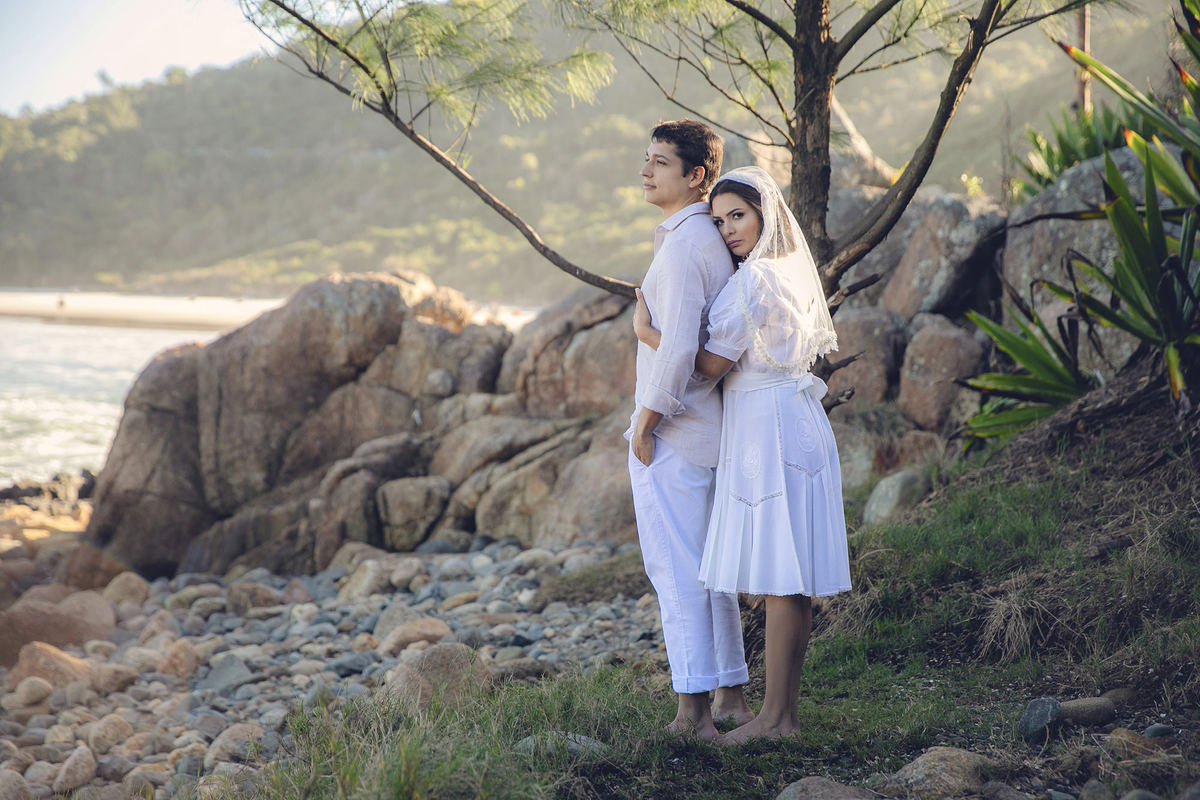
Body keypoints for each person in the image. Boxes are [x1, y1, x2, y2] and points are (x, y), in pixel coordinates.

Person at [633, 165, 853, 745]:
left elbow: (708, 366)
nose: (729, 230)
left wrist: (649, 334)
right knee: (792, 578)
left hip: (769, 425)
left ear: (766, 216)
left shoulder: (754, 282)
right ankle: (778, 714)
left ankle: (777, 721)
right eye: (720, 219)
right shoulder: (785, 272)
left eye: (739, 216)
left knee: (784, 577)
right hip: (793, 417)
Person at [627, 120, 752, 740]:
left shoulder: (682, 247)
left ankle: (692, 713)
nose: (645, 171)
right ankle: (728, 698)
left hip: (675, 434)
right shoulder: (709, 239)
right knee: (710, 573)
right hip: (706, 431)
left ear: (697, 176)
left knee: (678, 573)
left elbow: (677, 350)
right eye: (645, 159)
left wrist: (645, 425)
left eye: (659, 163)